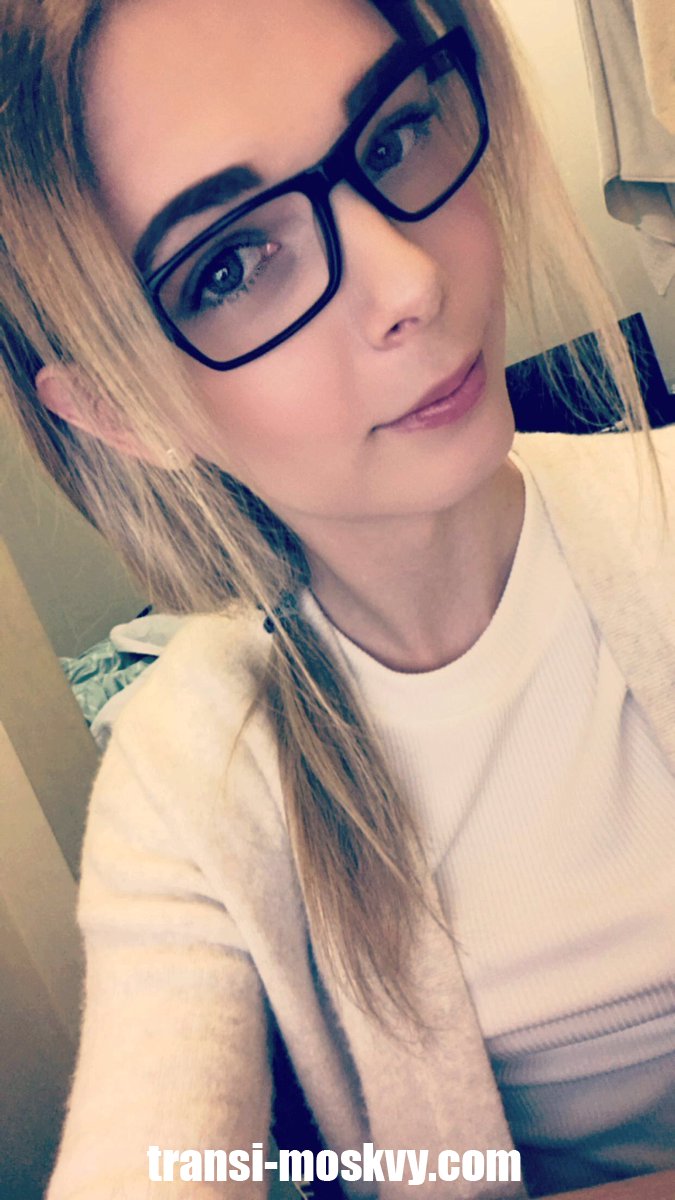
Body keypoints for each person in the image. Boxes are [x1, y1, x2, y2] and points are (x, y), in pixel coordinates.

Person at [1, 0, 674, 1197]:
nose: (410, 279)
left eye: (393, 135)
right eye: (230, 265)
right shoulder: (189, 776)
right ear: (120, 406)